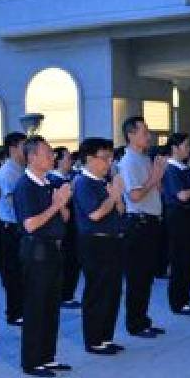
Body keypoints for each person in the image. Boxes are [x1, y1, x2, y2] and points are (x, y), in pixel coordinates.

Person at [14, 136, 74, 376]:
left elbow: (66, 218)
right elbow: (30, 224)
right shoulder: (24, 186)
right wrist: (55, 205)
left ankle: (47, 356)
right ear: (32, 157)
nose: (52, 158)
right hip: (36, 251)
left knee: (51, 305)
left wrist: (61, 204)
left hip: (54, 249)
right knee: (36, 307)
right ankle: (32, 361)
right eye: (47, 153)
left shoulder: (49, 183)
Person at [72, 137, 126, 354]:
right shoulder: (83, 183)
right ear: (89, 159)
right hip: (94, 242)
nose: (109, 162)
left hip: (113, 240)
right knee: (97, 290)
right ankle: (94, 340)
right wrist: (113, 197)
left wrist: (117, 197)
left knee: (113, 291)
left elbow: (121, 211)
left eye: (111, 157)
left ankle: (106, 337)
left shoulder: (105, 182)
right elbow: (95, 214)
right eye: (104, 158)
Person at [118, 116, 167, 339]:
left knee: (146, 276)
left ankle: (143, 319)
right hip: (138, 224)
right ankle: (135, 324)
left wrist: (158, 174)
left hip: (151, 223)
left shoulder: (145, 159)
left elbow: (155, 189)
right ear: (131, 134)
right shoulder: (128, 161)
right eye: (144, 132)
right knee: (137, 277)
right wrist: (155, 177)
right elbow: (135, 195)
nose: (149, 136)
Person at [160, 134, 190, 315]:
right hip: (178, 218)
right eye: (185, 146)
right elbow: (182, 196)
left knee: (189, 261)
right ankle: (178, 302)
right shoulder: (171, 169)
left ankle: (186, 299)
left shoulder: (184, 169)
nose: (189, 149)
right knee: (180, 261)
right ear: (175, 148)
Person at [0, 132, 27, 326]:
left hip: (19, 226)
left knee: (21, 271)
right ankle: (14, 312)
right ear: (13, 148)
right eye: (24, 145)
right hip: (11, 227)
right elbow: (12, 201)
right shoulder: (8, 172)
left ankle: (21, 309)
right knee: (13, 271)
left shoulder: (21, 169)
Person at [50, 146, 81, 309]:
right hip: (63, 229)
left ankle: (68, 293)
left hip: (72, 227)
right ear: (58, 160)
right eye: (68, 158)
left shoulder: (69, 178)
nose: (71, 161)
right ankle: (65, 295)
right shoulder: (54, 181)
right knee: (67, 262)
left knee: (72, 262)